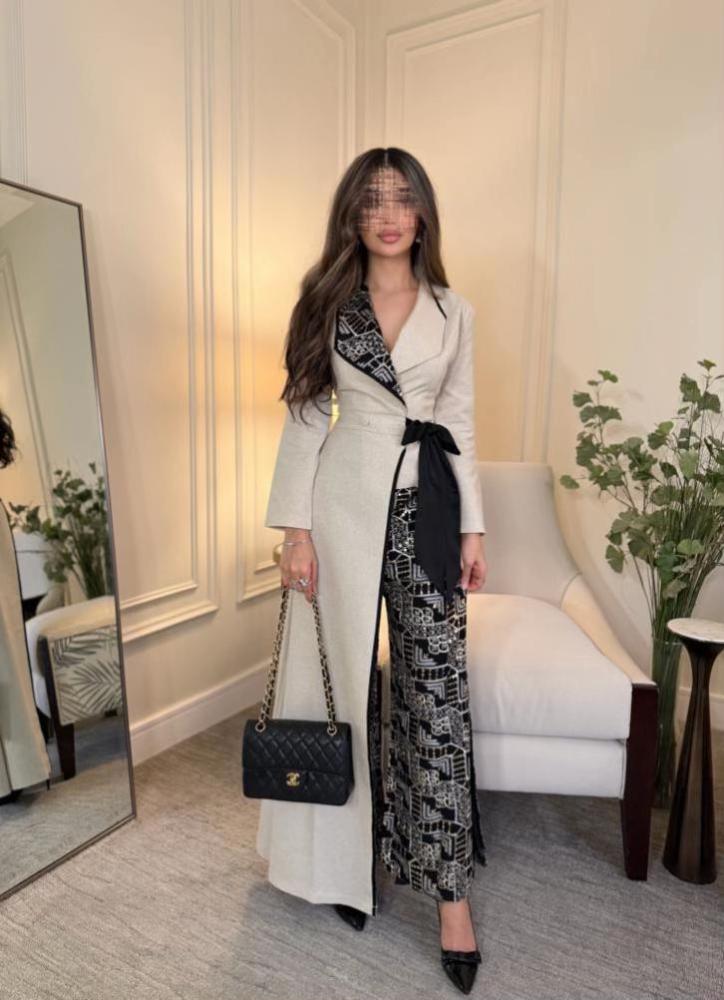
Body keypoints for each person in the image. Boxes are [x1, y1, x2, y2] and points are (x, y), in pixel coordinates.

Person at [259, 147, 488, 995]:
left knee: (435, 698)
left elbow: (460, 419)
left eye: (401, 199)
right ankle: (344, 867)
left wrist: (473, 528)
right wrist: (295, 532)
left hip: (429, 511)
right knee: (339, 693)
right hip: (341, 509)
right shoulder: (326, 301)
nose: (387, 216)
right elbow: (304, 415)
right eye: (371, 201)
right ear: (352, 216)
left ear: (423, 214)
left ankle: (451, 898)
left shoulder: (454, 311)